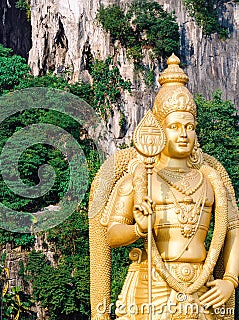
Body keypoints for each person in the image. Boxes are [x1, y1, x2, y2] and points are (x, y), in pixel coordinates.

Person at [88, 55, 239, 320]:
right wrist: (138, 228)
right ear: (159, 130)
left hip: (202, 288)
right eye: (175, 126)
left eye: (190, 127)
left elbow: (233, 230)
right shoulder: (139, 178)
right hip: (152, 284)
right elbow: (110, 234)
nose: (184, 134)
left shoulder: (210, 178)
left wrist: (230, 280)